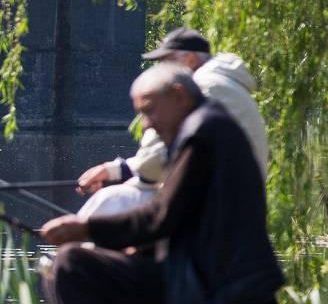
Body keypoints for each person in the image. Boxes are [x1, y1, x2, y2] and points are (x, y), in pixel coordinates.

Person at [41, 62, 284, 304]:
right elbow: (185, 219)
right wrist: (137, 250)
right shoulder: (211, 129)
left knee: (73, 266)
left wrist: (86, 229)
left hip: (217, 288)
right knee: (76, 272)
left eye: (149, 110)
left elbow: (161, 216)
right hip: (210, 279)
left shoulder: (204, 133)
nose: (147, 123)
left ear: (179, 96)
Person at [75, 27, 267, 220]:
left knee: (111, 200)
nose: (159, 70)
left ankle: (69, 246)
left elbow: (153, 164)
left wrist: (131, 179)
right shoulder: (222, 84)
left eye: (165, 62)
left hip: (218, 208)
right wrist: (114, 170)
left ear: (190, 60)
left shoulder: (200, 88)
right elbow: (168, 156)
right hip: (230, 200)